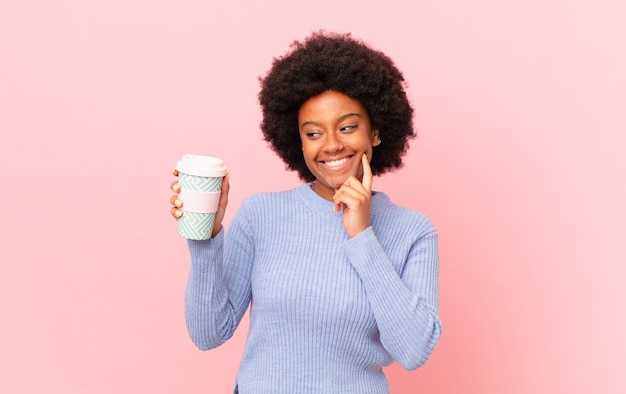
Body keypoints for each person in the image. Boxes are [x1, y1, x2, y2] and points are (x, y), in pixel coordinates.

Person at [170, 31, 442, 393]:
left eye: (347, 127)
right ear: (298, 141)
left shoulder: (413, 231)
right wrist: (204, 238)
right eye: (313, 133)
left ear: (375, 131)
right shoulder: (260, 216)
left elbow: (413, 351)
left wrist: (362, 235)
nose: (331, 145)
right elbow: (208, 335)